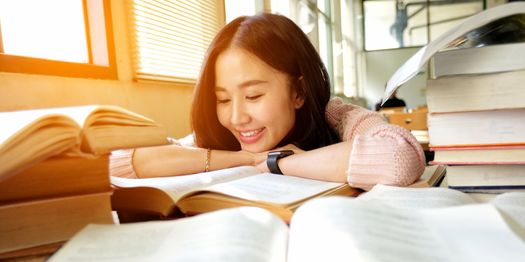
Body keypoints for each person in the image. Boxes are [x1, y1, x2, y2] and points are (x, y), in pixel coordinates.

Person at [111, 13, 425, 190]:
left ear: (298, 92)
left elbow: (400, 158)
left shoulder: (335, 115)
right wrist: (245, 160)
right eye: (222, 99)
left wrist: (281, 161)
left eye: (253, 96)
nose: (236, 117)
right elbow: (118, 162)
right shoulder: (220, 137)